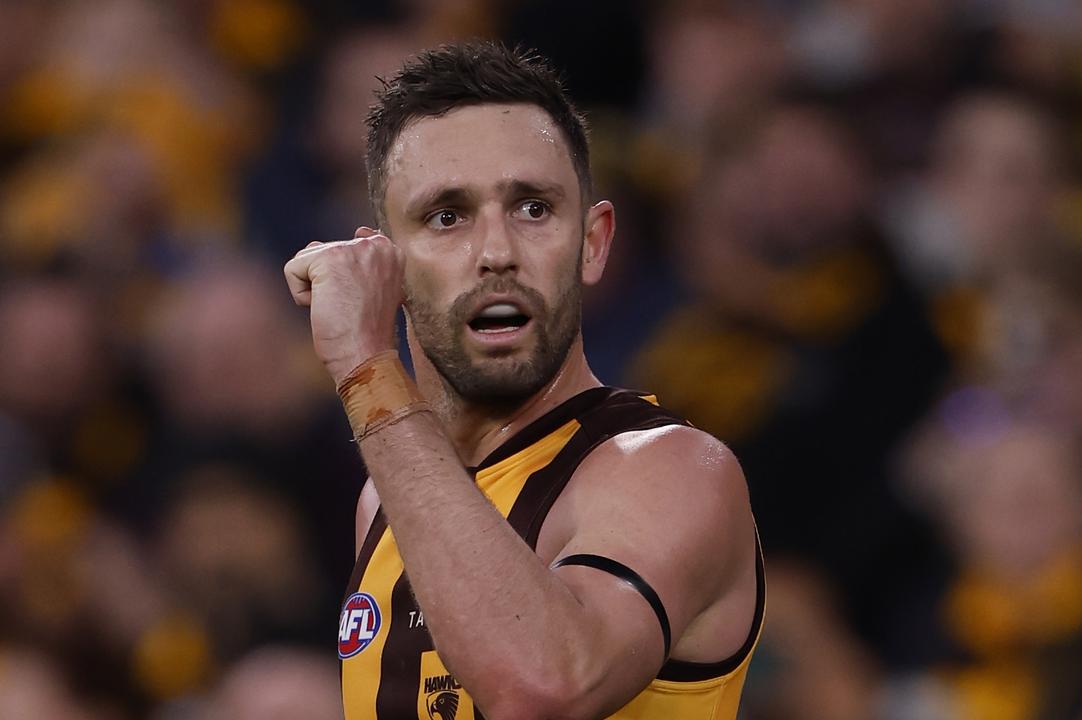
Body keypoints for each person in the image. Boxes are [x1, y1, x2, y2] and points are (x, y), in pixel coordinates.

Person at [283, 41, 763, 719]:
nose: (497, 252)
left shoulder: (674, 471)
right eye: (447, 216)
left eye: (533, 208)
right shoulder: (386, 496)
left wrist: (367, 369)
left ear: (592, 242)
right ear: (383, 264)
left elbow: (544, 687)